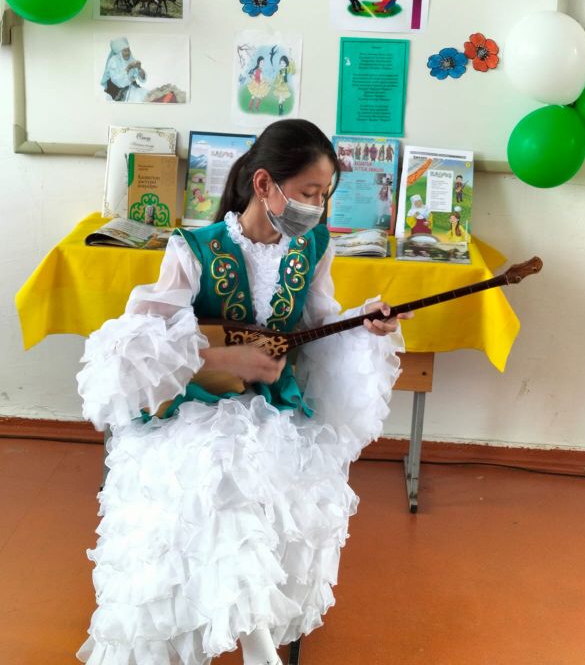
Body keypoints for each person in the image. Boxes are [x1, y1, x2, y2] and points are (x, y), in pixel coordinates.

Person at [76, 119, 409, 665]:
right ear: (263, 184)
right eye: (308, 193)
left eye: (324, 195)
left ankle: (256, 639)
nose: (317, 207)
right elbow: (143, 344)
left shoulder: (313, 247)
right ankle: (258, 648)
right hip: (197, 406)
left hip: (275, 408)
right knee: (221, 470)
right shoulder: (195, 248)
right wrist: (219, 358)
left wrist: (364, 321)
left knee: (255, 474)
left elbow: (318, 323)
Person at [100, 37, 147, 102]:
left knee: (146, 94)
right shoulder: (113, 61)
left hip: (132, 89)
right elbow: (118, 82)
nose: (127, 53)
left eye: (128, 50)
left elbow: (142, 79)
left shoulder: (131, 59)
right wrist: (128, 68)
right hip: (117, 92)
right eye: (125, 51)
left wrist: (139, 68)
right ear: (119, 52)